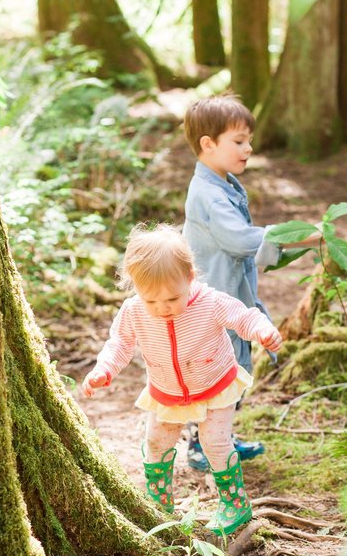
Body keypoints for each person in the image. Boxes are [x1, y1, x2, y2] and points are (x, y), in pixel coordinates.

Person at [82, 224, 283, 535]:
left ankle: (234, 503)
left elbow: (243, 316)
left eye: (172, 299)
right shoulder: (134, 311)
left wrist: (262, 331)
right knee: (156, 443)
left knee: (214, 443)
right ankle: (159, 502)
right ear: (135, 287)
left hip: (215, 384)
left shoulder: (210, 302)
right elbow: (120, 343)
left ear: (190, 277)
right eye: (152, 301)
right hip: (166, 391)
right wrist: (104, 369)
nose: (162, 309)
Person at [181, 93, 280, 471]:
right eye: (238, 141)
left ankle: (220, 436)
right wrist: (286, 235)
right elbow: (239, 240)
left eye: (248, 140)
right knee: (216, 371)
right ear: (208, 144)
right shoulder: (208, 193)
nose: (248, 148)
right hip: (214, 300)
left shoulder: (224, 184)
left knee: (234, 370)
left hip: (230, 295)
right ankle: (201, 444)